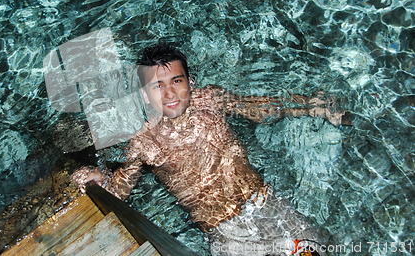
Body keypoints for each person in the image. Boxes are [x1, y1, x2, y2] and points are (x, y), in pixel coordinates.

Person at [72, 43, 349, 256]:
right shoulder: (143, 144)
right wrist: (97, 180)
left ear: (190, 83)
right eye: (158, 86)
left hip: (268, 205)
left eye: (176, 81)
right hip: (226, 233)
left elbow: (259, 108)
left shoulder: (211, 100)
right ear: (145, 95)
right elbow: (120, 188)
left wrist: (313, 106)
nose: (169, 94)